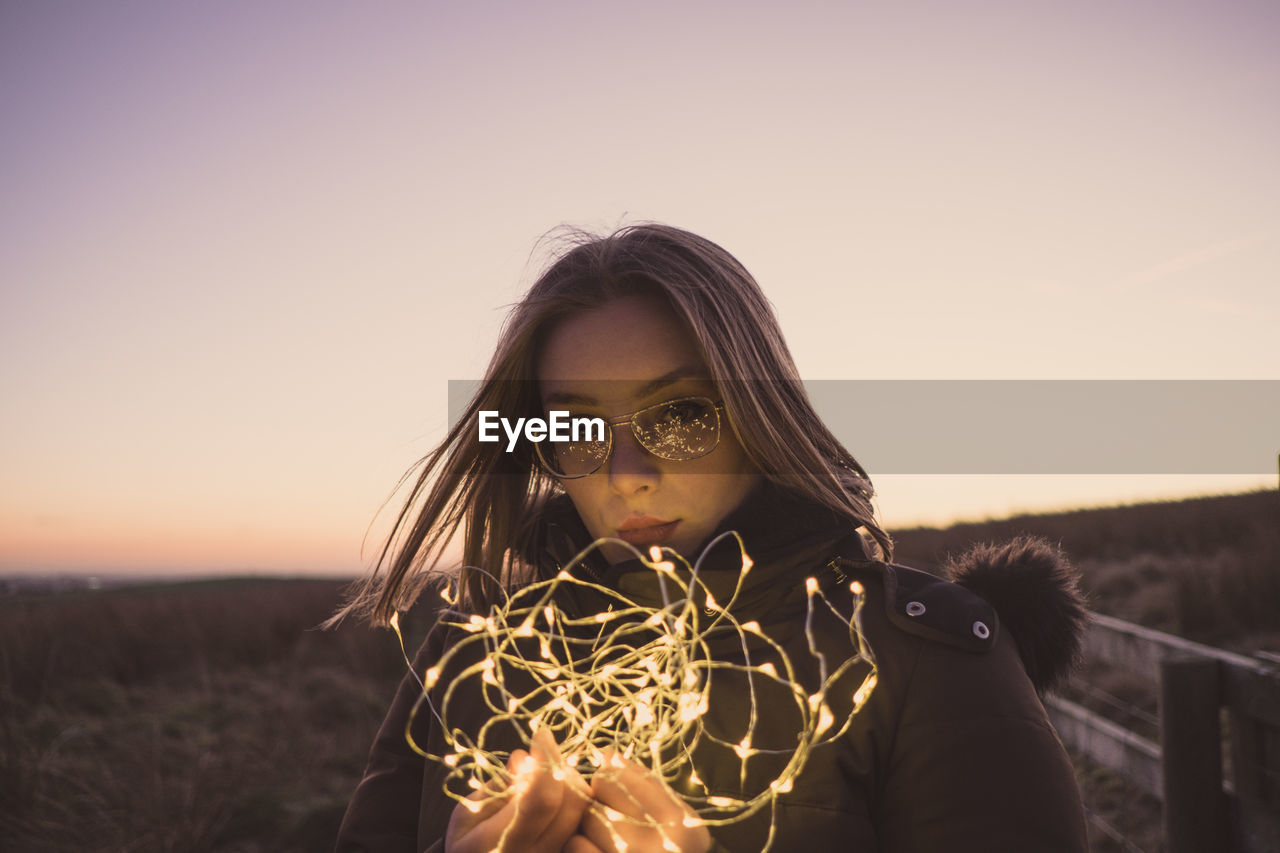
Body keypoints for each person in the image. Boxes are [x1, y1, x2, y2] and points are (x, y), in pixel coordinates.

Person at [331, 224, 1090, 852]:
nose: (627, 473)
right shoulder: (471, 650)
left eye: (682, 416)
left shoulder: (922, 661)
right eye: (576, 426)